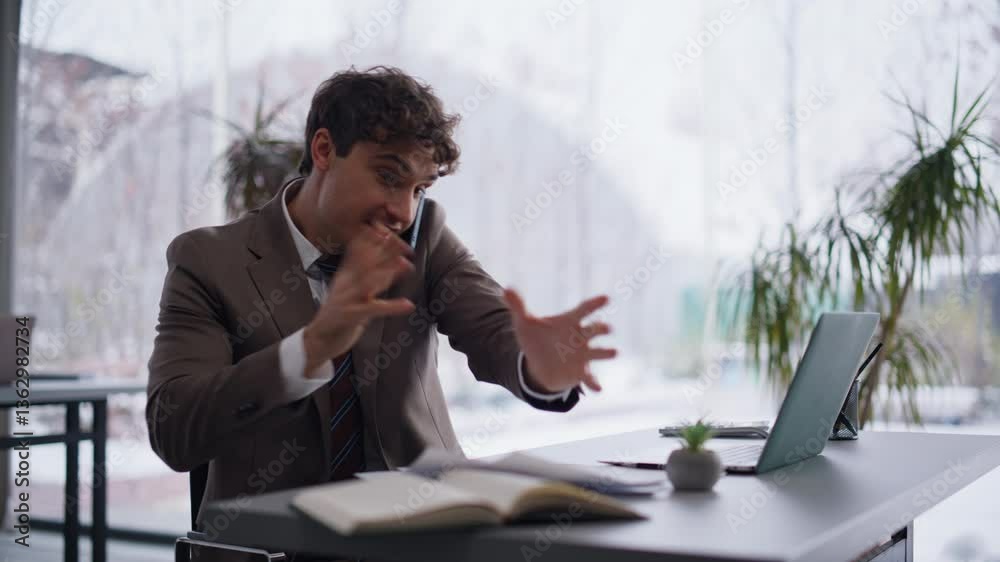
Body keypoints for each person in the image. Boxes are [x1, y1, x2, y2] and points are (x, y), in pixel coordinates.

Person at [146, 65, 616, 562]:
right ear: (324, 150)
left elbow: (493, 325)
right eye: (389, 177)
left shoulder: (423, 238)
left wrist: (535, 366)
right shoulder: (209, 261)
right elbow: (173, 428)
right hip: (277, 549)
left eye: (419, 188)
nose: (404, 211)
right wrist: (306, 352)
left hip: (424, 538)